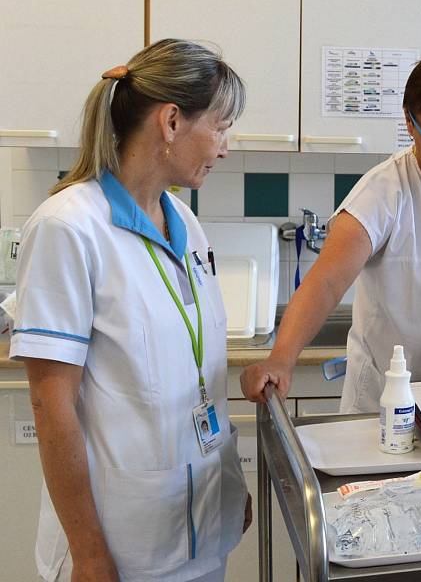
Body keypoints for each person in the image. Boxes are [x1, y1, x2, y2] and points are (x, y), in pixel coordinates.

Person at [11, 39, 251, 582]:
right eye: (219, 126)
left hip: (199, 533)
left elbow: (200, 377)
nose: (225, 147)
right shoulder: (68, 228)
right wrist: (90, 552)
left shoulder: (185, 224)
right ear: (171, 121)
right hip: (122, 547)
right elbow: (53, 408)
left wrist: (229, 486)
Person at [240, 50, 421, 413]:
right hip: (388, 404)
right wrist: (281, 359)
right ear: (411, 123)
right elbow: (326, 282)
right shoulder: (382, 192)